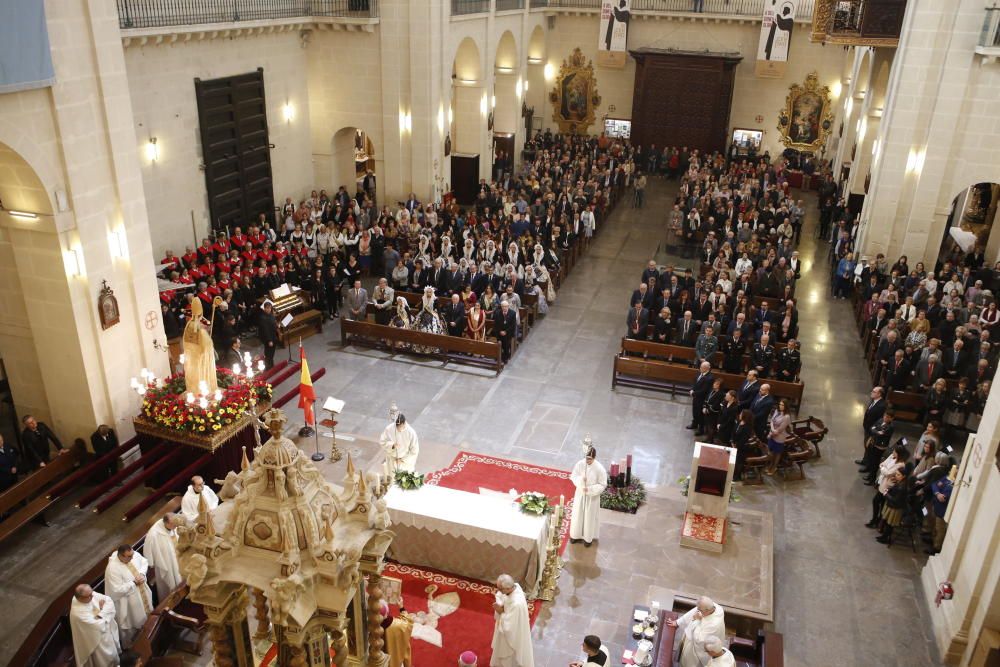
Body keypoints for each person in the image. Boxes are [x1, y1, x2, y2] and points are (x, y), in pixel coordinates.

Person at [104, 545, 153, 647]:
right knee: (133, 626)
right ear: (121, 556)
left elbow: (144, 562)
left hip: (141, 595)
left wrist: (142, 574)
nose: (132, 558)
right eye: (129, 557)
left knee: (147, 621)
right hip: (128, 603)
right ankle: (134, 647)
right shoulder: (112, 569)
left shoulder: (132, 554)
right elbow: (115, 590)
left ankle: (149, 639)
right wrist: (134, 583)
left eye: (132, 555)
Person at [70, 583, 121, 667]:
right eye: (89, 596)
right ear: (80, 598)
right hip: (96, 640)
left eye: (92, 593)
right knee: (105, 660)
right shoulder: (77, 612)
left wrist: (100, 614)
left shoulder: (89, 595)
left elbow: (108, 600)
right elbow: (97, 626)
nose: (93, 596)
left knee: (114, 656)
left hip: (106, 632)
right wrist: (102, 610)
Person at [666, 596, 726, 667]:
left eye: (700, 610)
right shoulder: (713, 607)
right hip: (690, 639)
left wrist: (696, 620)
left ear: (707, 610)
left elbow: (699, 639)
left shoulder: (714, 624)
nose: (698, 612)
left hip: (697, 650)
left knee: (688, 663)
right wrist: (678, 622)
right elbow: (696, 610)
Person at [490, 574, 534, 667]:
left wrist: (500, 611)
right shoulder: (515, 587)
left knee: (507, 657)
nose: (499, 592)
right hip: (511, 622)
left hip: (511, 637)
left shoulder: (516, 604)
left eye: (501, 589)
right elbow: (503, 597)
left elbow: (508, 627)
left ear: (508, 588)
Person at [569, 445, 608, 547]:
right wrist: (581, 480)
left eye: (590, 459)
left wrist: (590, 489)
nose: (587, 461)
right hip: (580, 494)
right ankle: (575, 535)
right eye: (586, 458)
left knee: (589, 518)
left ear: (594, 458)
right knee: (578, 515)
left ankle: (588, 539)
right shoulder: (580, 464)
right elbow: (573, 476)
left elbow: (602, 484)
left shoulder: (600, 469)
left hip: (592, 498)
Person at [182, 296, 218, 394]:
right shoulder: (199, 329)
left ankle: (194, 391)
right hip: (201, 360)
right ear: (201, 312)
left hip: (191, 360)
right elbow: (207, 347)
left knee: (194, 378)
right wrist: (207, 336)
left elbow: (186, 343)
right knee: (203, 379)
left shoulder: (189, 325)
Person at [143, 514, 182, 601]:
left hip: (179, 558)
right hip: (167, 562)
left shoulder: (173, 526)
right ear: (166, 523)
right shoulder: (154, 534)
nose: (176, 526)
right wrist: (150, 563)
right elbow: (148, 549)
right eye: (174, 524)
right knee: (170, 583)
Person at [765, 399, 792, 475]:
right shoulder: (777, 411)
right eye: (780, 404)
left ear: (786, 406)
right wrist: (772, 430)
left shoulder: (787, 417)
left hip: (779, 437)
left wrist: (771, 434)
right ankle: (770, 465)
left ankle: (774, 467)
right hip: (772, 433)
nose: (781, 406)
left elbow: (780, 430)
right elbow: (771, 421)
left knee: (777, 453)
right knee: (771, 452)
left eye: (782, 405)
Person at [687, 361, 714, 435]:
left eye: (702, 367)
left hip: (702, 399)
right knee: (695, 411)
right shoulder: (700, 373)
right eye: (701, 367)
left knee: (700, 414)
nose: (700, 368)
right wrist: (692, 389)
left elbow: (704, 390)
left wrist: (694, 393)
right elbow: (694, 382)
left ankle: (701, 429)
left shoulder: (710, 378)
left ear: (707, 368)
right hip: (696, 397)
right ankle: (694, 424)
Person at [258, 300, 280, 369]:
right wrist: (269, 340)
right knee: (268, 353)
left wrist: (277, 326)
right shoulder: (262, 318)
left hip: (273, 336)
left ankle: (271, 364)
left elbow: (273, 323)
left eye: (270, 308)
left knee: (272, 352)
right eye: (267, 308)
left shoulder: (271, 315)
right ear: (264, 308)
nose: (269, 309)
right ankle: (268, 367)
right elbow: (265, 330)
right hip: (268, 338)